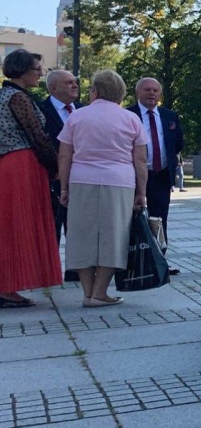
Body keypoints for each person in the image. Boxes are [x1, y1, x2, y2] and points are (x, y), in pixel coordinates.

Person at [58, 70, 148, 307]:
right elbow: (140, 160)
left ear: (95, 91)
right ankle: (100, 292)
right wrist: (142, 192)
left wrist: (64, 188)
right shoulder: (131, 119)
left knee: (81, 235)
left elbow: (65, 156)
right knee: (114, 236)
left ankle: (87, 292)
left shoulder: (76, 117)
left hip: (81, 179)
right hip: (119, 181)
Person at [0, 50, 62, 307]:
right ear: (22, 70)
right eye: (37, 68)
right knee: (18, 226)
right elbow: (37, 136)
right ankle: (7, 287)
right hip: (22, 163)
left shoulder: (6, 95)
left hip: (11, 163)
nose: (40, 73)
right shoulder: (17, 97)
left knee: (10, 225)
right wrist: (56, 166)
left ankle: (8, 286)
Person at [127, 78, 185, 275]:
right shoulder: (128, 115)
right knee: (132, 220)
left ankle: (160, 262)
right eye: (147, 90)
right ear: (138, 93)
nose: (151, 93)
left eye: (155, 90)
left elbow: (178, 144)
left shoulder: (170, 116)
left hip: (160, 176)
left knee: (160, 219)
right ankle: (132, 264)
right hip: (133, 176)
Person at [39, 68, 79, 247]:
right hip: (51, 182)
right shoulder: (39, 110)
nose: (75, 85)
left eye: (74, 81)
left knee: (79, 233)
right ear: (54, 88)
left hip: (82, 180)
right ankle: (51, 274)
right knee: (51, 235)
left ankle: (76, 275)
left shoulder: (85, 110)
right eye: (68, 82)